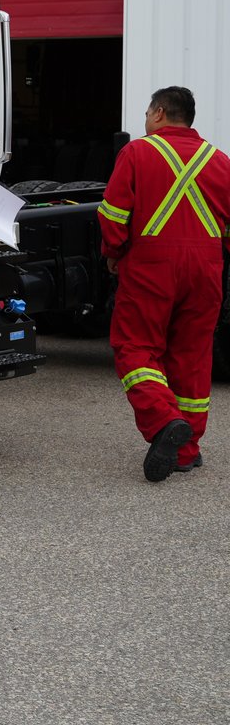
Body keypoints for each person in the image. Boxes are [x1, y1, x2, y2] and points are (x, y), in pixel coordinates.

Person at [99, 86, 230, 481]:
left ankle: (164, 421)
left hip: (151, 265)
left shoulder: (138, 152)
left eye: (146, 112)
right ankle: (187, 450)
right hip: (206, 268)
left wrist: (113, 253)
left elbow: (114, 214)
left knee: (136, 346)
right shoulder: (220, 160)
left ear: (158, 112)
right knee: (192, 356)